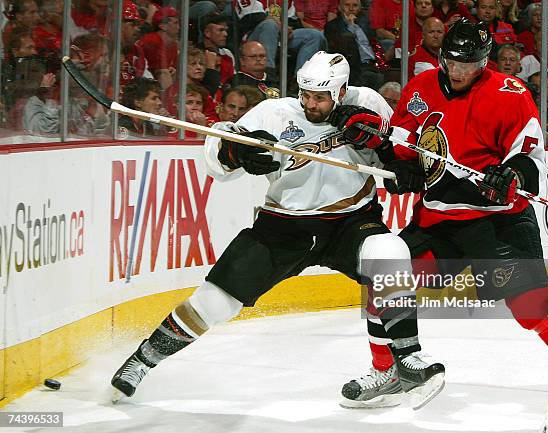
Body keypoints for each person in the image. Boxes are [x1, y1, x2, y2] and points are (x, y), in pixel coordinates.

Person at [110, 51, 445, 408]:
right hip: (282, 226)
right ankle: (142, 361)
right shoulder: (276, 112)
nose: (310, 103)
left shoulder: (367, 102)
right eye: (305, 94)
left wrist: (379, 140)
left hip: (350, 221)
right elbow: (219, 151)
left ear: (342, 90)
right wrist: (236, 153)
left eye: (320, 97)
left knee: (388, 253)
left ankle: (403, 361)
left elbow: (401, 154)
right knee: (214, 303)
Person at [341, 19, 548, 408]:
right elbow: (405, 144)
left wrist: (512, 173)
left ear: (484, 61)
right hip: (438, 220)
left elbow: (530, 156)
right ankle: (387, 371)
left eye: (468, 64)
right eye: (452, 62)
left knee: (533, 307)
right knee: (385, 275)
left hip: (498, 222)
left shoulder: (510, 93)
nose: (458, 72)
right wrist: (396, 163)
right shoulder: (421, 88)